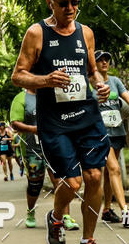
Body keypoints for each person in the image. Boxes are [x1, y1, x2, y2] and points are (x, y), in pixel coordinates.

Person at [12, 0, 111, 244]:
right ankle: (56, 218)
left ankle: (88, 241)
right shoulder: (36, 33)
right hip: (55, 123)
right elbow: (18, 75)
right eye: (63, 3)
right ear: (50, 3)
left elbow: (92, 71)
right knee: (73, 182)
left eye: (74, 2)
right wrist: (45, 79)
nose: (70, 8)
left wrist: (100, 85)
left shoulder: (86, 33)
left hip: (87, 117)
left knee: (94, 175)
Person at [9, 87, 80, 231]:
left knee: (61, 181)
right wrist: (34, 129)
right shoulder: (21, 98)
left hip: (54, 145)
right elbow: (15, 123)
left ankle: (64, 217)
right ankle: (30, 211)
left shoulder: (54, 94)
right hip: (31, 148)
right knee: (35, 184)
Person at [93, 50, 129, 227]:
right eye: (100, 60)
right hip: (101, 134)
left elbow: (128, 99)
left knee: (108, 173)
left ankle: (107, 209)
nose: (105, 62)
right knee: (114, 168)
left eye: (107, 59)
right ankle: (125, 210)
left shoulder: (115, 81)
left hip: (117, 132)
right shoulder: (89, 84)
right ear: (94, 64)